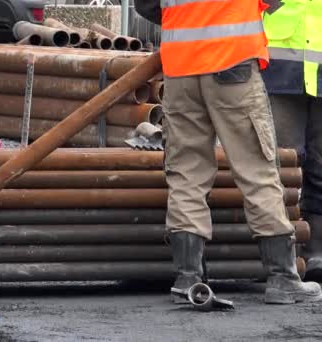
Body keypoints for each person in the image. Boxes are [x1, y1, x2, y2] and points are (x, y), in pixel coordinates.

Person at [134, 0, 322, 304]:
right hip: (232, 64)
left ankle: (188, 277)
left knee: (186, 172)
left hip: (181, 68)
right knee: (257, 168)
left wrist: (188, 23)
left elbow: (145, 5)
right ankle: (282, 277)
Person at [261, 0, 322, 280]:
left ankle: (315, 253)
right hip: (281, 69)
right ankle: (283, 256)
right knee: (283, 169)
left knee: (320, 169)